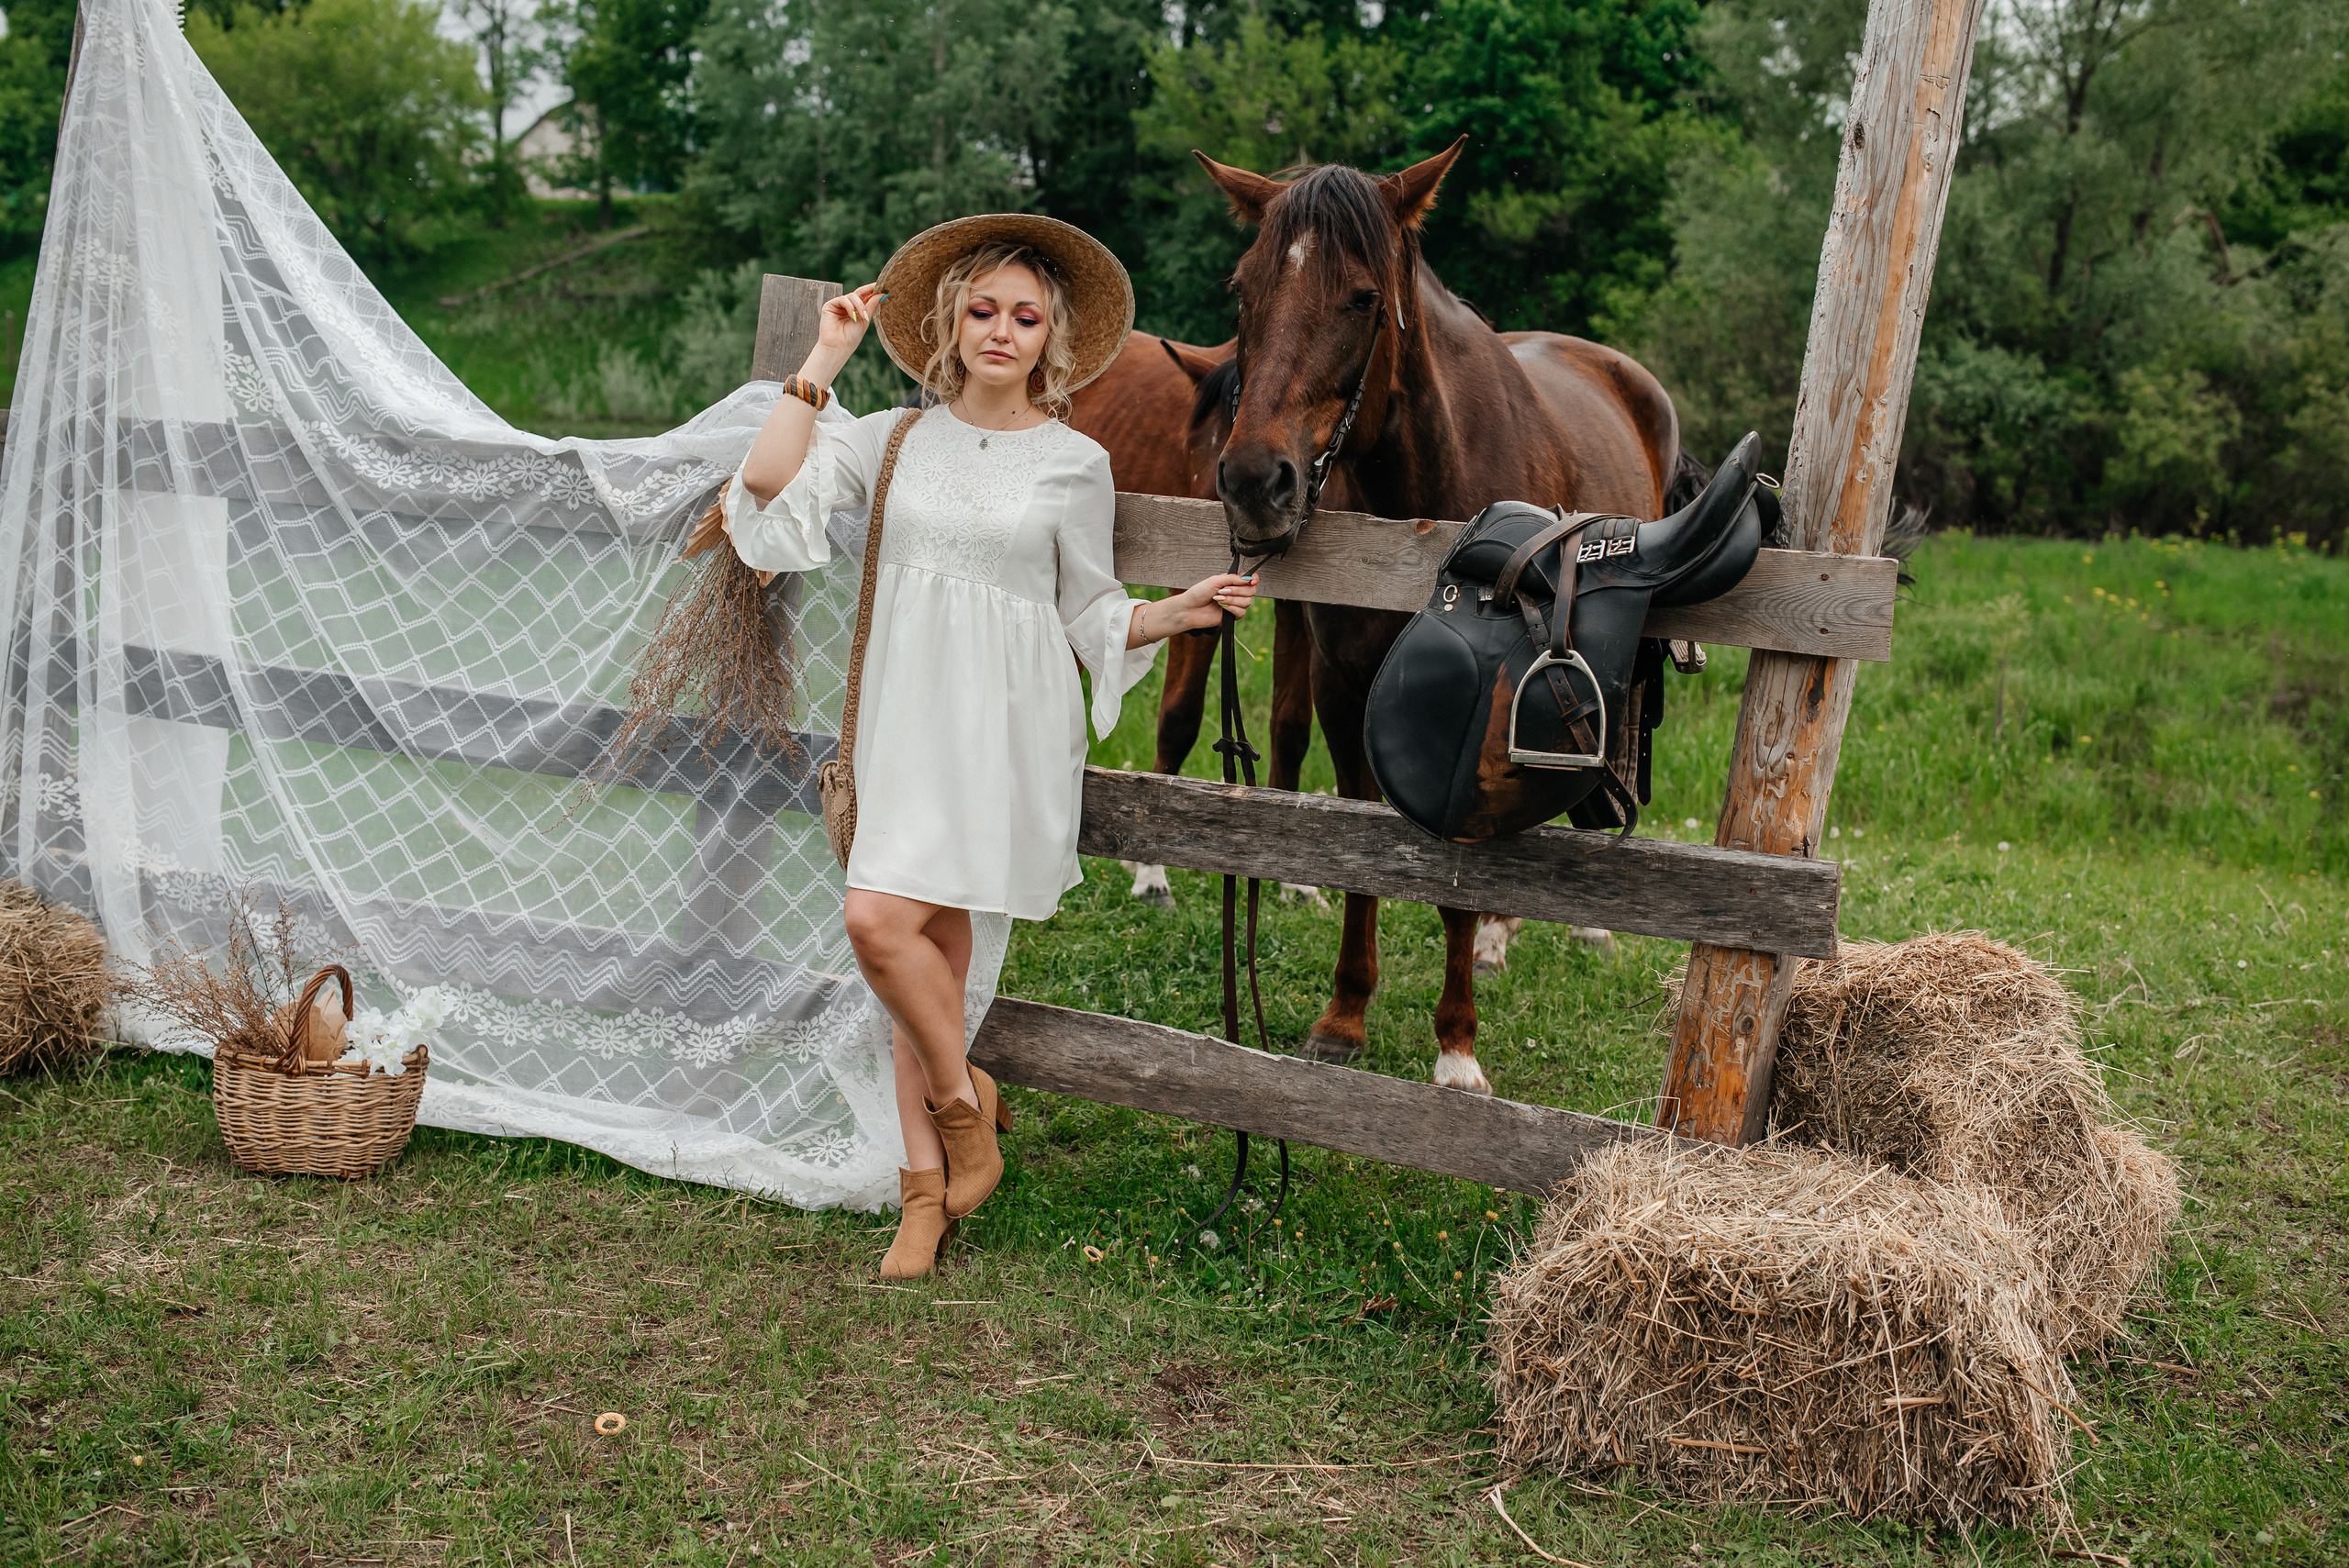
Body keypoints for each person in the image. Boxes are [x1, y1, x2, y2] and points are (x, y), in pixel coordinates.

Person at [719, 215, 1256, 1278]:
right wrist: (824, 355)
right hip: (904, 719)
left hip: (1004, 734)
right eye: (983, 311)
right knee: (881, 925)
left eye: (1025, 317)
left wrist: (1173, 610)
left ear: (1052, 339)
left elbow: (1087, 611)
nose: (1001, 331)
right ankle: (962, 1108)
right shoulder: (892, 439)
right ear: (950, 325)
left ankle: (924, 1196)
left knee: (926, 955)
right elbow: (769, 482)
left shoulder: (1074, 463)